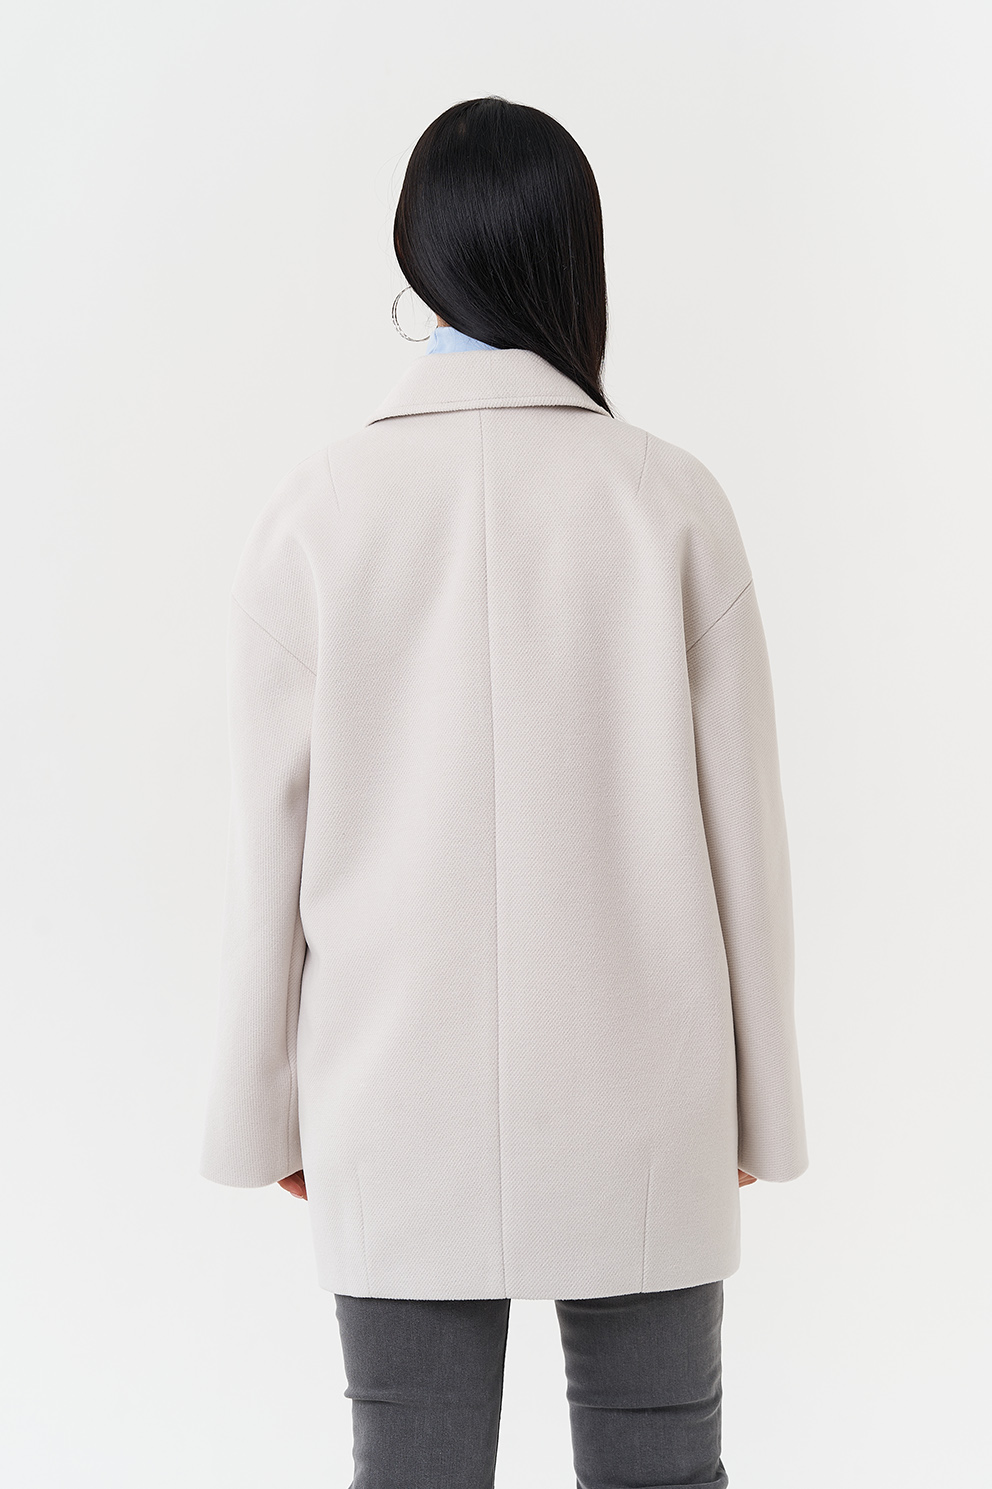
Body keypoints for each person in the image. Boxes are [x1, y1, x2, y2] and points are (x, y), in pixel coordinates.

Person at [199, 95, 809, 1489]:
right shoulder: (671, 502)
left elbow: (262, 852)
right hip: (649, 1096)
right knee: (662, 1471)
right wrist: (760, 1102)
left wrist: (262, 1107)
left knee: (409, 1472)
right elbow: (749, 843)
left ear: (416, 261)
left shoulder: (317, 512)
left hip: (386, 1091)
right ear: (575, 259)